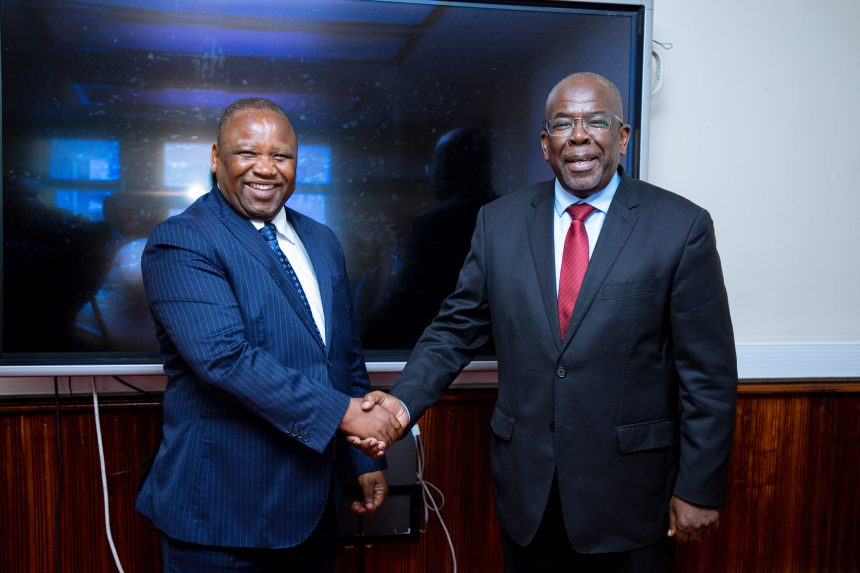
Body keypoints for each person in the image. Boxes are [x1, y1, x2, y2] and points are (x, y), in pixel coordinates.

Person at [359, 72, 737, 572]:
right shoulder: (499, 222)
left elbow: (708, 375)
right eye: (563, 124)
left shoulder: (680, 227)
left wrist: (699, 488)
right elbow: (455, 329)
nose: (578, 136)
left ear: (623, 136)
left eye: (596, 121)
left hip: (631, 500)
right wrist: (401, 405)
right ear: (545, 144)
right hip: (528, 497)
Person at [137, 97, 400, 572]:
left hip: (314, 510)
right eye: (247, 153)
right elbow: (224, 359)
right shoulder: (182, 239)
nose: (265, 168)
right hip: (222, 518)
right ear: (216, 157)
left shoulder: (321, 240)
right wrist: (346, 415)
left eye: (281, 156)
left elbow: (343, 357)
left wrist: (365, 459)